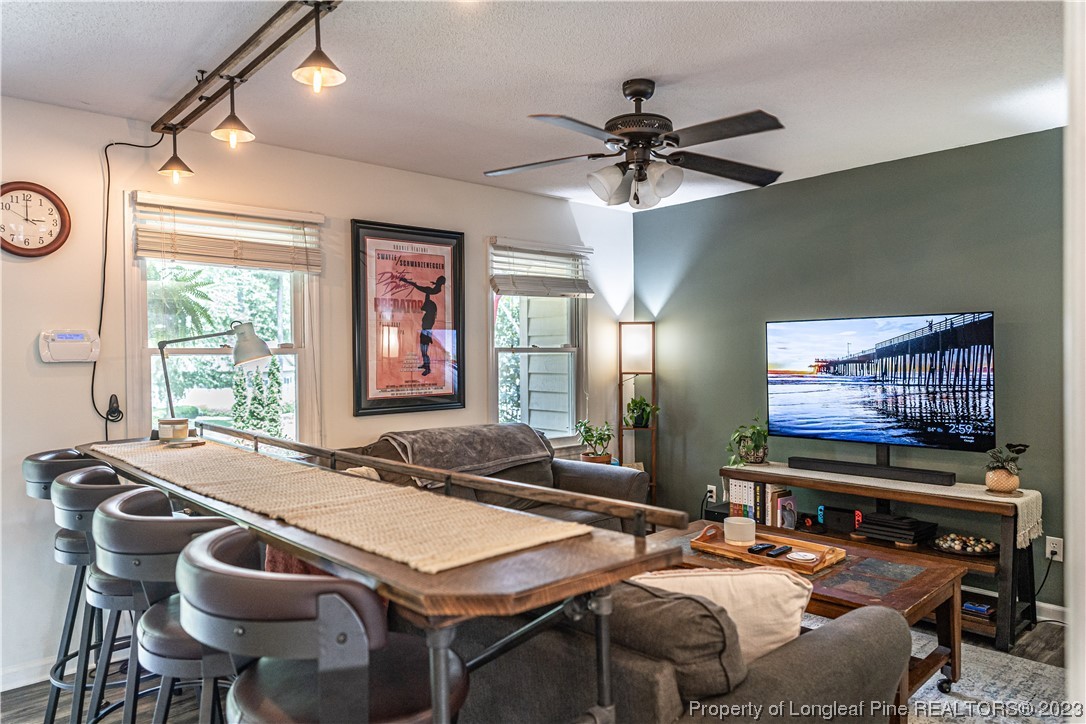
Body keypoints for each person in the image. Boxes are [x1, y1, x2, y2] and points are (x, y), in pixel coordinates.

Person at [401, 275, 446, 376]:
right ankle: (425, 365)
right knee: (423, 351)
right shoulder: (435, 293)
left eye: (425, 306)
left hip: (426, 332)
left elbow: (417, 286)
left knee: (424, 351)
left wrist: (406, 281)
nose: (422, 308)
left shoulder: (430, 314)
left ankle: (428, 368)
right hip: (425, 331)